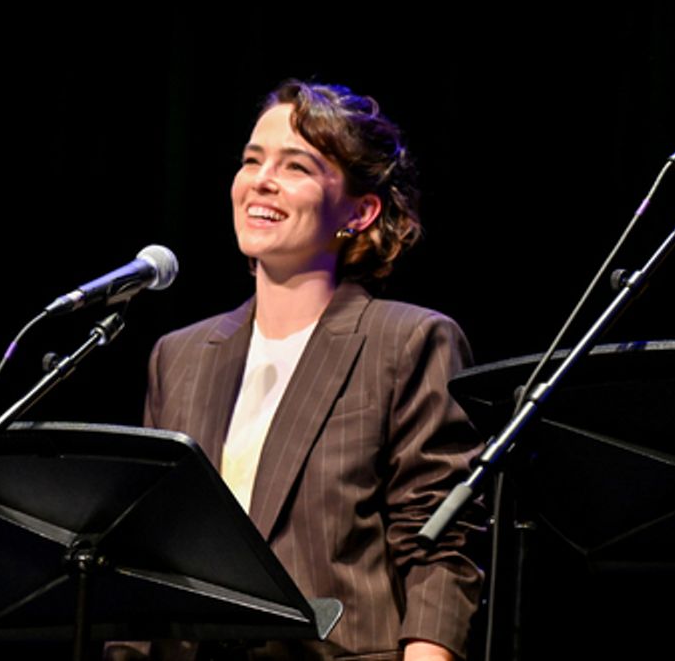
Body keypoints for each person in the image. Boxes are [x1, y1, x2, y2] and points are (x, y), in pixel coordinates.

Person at [140, 81, 483, 660]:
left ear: (360, 210)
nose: (261, 180)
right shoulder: (180, 356)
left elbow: (439, 548)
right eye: (252, 160)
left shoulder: (407, 342)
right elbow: (146, 555)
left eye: (296, 166)